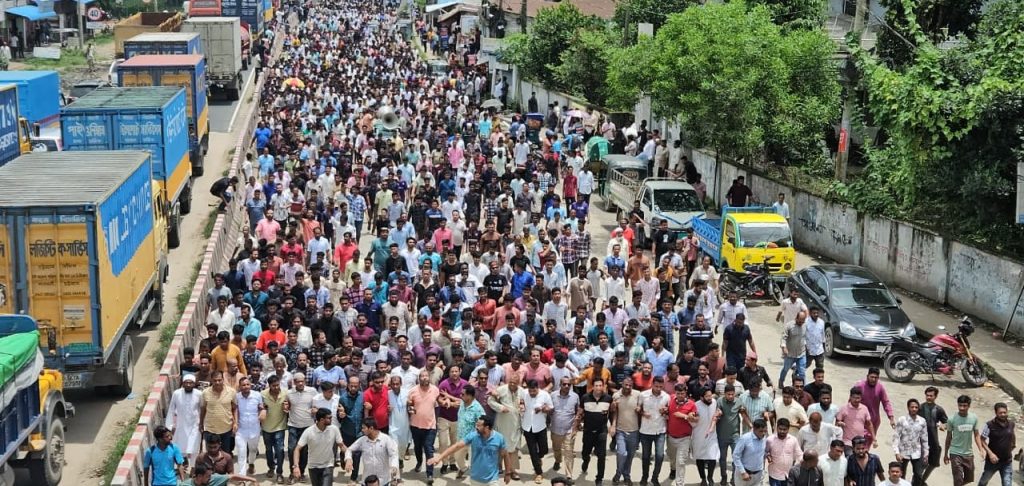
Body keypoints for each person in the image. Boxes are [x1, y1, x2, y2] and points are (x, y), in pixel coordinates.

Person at [429, 415, 514, 485]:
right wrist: (439, 457)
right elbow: (456, 446)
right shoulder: (473, 436)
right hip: (475, 480)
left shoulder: (499, 438)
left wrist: (508, 473)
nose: (476, 427)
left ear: (487, 427)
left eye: (479, 426)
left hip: (492, 480)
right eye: (476, 424)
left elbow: (505, 455)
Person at [293, 408, 346, 486]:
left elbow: (342, 446)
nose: (331, 419)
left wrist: (348, 458)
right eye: (329, 418)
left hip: (328, 465)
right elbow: (297, 449)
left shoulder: (334, 429)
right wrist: (296, 466)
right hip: (313, 467)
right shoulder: (309, 431)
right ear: (321, 420)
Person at [580, 378, 614, 486]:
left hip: (601, 432)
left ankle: (599, 478)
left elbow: (612, 413)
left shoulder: (608, 398)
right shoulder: (585, 398)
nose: (598, 388)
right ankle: (586, 460)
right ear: (592, 386)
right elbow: (580, 412)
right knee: (585, 453)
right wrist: (577, 424)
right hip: (588, 431)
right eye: (596, 385)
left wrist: (612, 426)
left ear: (603, 386)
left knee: (601, 456)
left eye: (600, 385)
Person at [345, 419, 400, 486]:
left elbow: (394, 454)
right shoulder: (362, 440)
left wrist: (394, 466)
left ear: (371, 428)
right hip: (367, 481)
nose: (362, 430)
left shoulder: (386, 439)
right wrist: (348, 459)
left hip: (383, 481)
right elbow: (349, 450)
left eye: (364, 428)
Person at [945, 395, 982, 486]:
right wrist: (945, 454)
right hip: (955, 453)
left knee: (969, 478)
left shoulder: (974, 418)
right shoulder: (952, 419)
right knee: (958, 480)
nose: (962, 408)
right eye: (960, 405)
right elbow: (948, 437)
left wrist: (981, 449)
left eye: (964, 406)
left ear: (969, 406)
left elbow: (976, 435)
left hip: (968, 454)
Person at [521, 379, 553, 483]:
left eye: (534, 391)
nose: (532, 393)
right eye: (530, 391)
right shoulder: (524, 393)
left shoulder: (545, 395)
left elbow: (551, 408)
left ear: (537, 388)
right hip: (527, 427)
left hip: (540, 427)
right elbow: (519, 400)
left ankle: (538, 458)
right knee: (532, 451)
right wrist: (521, 405)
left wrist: (543, 409)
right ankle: (539, 473)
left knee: (544, 449)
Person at [167, 374, 202, 464]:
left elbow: (202, 409)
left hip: (195, 426)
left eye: (191, 383)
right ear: (183, 383)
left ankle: (193, 467)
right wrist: (170, 425)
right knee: (181, 446)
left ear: (194, 384)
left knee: (194, 448)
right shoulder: (177, 393)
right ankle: (182, 465)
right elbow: (171, 409)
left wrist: (202, 424)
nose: (188, 385)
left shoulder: (199, 394)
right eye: (186, 383)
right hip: (181, 425)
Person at [892, 398, 929, 486]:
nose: (914, 409)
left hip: (916, 452)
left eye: (916, 407)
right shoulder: (902, 420)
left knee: (918, 474)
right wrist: (897, 452)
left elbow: (924, 438)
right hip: (903, 452)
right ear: (908, 408)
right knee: (901, 474)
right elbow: (896, 436)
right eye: (912, 407)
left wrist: (926, 453)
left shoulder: (922, 421)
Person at [978, 402, 1015, 486]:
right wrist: (990, 454)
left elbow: (1012, 436)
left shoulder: (1011, 424)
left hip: (1007, 461)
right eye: (1000, 413)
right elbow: (982, 440)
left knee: (1007, 484)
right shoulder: (990, 425)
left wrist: (1012, 447)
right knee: (983, 482)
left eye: (1004, 412)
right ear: (996, 413)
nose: (1003, 414)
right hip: (992, 462)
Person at [920, 386, 949, 483]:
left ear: (935, 397)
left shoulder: (939, 409)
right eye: (927, 395)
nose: (928, 397)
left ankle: (922, 481)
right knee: (921, 465)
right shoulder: (920, 408)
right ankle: (916, 482)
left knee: (933, 463)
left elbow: (947, 423)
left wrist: (943, 426)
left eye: (931, 396)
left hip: (933, 442)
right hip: (921, 442)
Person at [765, 418, 802, 486]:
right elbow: (765, 452)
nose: (782, 431)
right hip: (774, 474)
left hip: (788, 474)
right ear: (777, 428)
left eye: (784, 429)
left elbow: (799, 454)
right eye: (780, 429)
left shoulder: (793, 440)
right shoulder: (770, 440)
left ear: (788, 429)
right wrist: (767, 455)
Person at [733, 419, 769, 486]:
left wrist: (767, 455)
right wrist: (743, 472)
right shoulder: (745, 439)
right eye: (761, 431)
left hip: (758, 475)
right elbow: (736, 456)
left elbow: (761, 452)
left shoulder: (764, 438)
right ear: (754, 429)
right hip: (744, 475)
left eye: (765, 431)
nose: (763, 433)